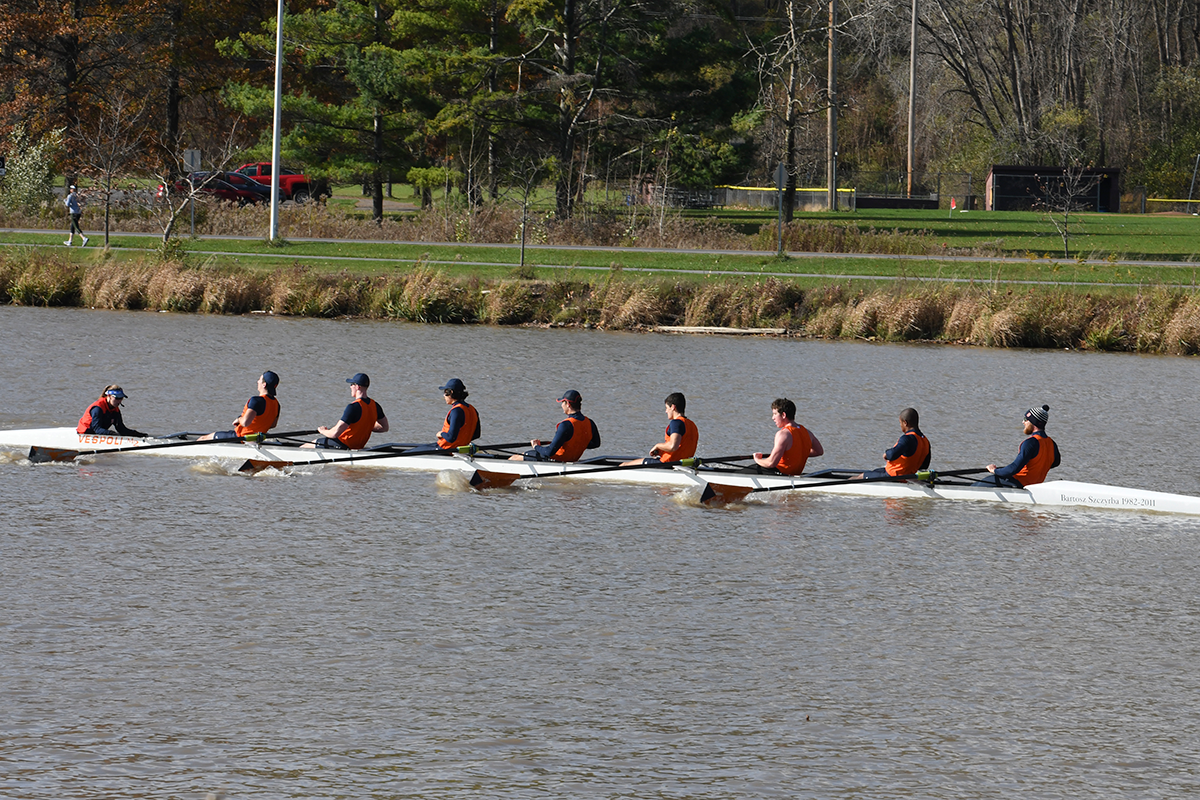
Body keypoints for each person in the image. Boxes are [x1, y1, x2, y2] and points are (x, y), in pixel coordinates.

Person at [980, 404, 1061, 488]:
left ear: (1033, 422)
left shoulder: (1031, 443)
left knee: (977, 485)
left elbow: (1014, 469)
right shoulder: (1052, 444)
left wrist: (994, 470)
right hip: (1034, 486)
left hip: (1016, 483)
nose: (1023, 422)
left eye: (1025, 419)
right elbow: (1055, 463)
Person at [509, 389, 601, 462]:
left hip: (554, 461)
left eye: (562, 402)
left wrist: (536, 446)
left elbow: (549, 452)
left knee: (514, 458)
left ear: (568, 404)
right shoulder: (590, 423)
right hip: (572, 459)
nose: (561, 405)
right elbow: (596, 444)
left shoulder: (566, 425)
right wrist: (573, 443)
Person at [303, 373, 388, 450]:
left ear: (358, 387)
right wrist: (364, 425)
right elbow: (384, 427)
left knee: (307, 445)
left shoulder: (353, 407)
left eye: (352, 384)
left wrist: (322, 431)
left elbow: (334, 434)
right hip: (357, 446)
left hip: (342, 445)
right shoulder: (375, 406)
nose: (350, 387)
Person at [198, 371, 280, 441]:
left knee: (203, 438)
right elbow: (273, 424)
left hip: (240, 438)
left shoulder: (256, 400)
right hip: (257, 439)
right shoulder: (276, 404)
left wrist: (239, 419)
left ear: (264, 384)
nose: (257, 382)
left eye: (259, 380)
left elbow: (245, 423)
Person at [621, 392, 698, 466]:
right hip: (685, 464)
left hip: (667, 464)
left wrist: (658, 446)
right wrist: (661, 451)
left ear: (673, 407)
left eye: (667, 408)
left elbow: (673, 446)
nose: (666, 411)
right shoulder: (692, 425)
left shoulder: (676, 423)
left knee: (624, 465)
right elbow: (682, 447)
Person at [753, 398, 824, 475]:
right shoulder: (808, 432)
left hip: (779, 473)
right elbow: (819, 451)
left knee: (746, 470)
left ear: (783, 415)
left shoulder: (783, 434)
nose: (773, 418)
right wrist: (796, 453)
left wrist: (757, 459)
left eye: (775, 414)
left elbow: (771, 463)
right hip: (795, 473)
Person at [856, 407, 929, 479]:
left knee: (861, 477)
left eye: (900, 423)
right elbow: (924, 465)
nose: (900, 426)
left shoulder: (907, 438)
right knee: (873, 472)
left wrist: (886, 454)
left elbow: (892, 455)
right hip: (909, 476)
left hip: (894, 476)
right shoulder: (925, 441)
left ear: (905, 423)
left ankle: (845, 487)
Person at [76, 385, 146, 437]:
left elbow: (121, 429)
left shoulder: (115, 410)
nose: (119, 401)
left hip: (98, 434)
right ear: (109, 396)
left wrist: (137, 434)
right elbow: (97, 429)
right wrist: (112, 434)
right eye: (117, 398)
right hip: (85, 434)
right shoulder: (98, 408)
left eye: (121, 398)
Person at [436, 378, 481, 450]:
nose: (444, 395)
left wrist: (441, 434)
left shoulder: (456, 411)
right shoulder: (472, 409)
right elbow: (476, 434)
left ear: (450, 392)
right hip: (462, 449)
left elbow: (451, 438)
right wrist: (462, 440)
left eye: (445, 392)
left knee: (412, 453)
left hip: (445, 449)